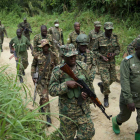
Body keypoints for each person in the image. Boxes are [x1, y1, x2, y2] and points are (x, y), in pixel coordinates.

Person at [49, 44, 95, 140]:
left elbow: (89, 84)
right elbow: (52, 90)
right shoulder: (58, 71)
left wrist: (87, 95)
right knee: (66, 137)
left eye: (74, 55)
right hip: (67, 114)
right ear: (62, 57)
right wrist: (66, 85)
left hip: (83, 110)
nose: (72, 58)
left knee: (88, 134)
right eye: (69, 56)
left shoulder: (83, 67)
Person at [112, 39, 140, 140]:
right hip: (129, 97)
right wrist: (129, 100)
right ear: (136, 49)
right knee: (124, 117)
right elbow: (124, 81)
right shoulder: (127, 61)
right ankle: (116, 121)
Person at [31, 39, 58, 126]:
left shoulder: (53, 55)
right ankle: (48, 117)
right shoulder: (37, 56)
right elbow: (33, 65)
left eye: (46, 46)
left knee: (43, 97)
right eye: (43, 46)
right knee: (45, 97)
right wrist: (33, 75)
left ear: (49, 46)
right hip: (41, 80)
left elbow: (58, 67)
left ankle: (41, 106)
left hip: (51, 80)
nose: (45, 48)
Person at [93, 22, 120, 107]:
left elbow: (118, 49)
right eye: (108, 30)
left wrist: (114, 54)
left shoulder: (115, 37)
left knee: (113, 79)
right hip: (102, 63)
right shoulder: (99, 38)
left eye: (111, 29)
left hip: (111, 63)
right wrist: (101, 57)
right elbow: (94, 50)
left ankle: (102, 85)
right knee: (106, 80)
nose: (110, 31)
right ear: (104, 29)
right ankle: (106, 97)